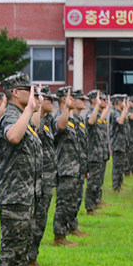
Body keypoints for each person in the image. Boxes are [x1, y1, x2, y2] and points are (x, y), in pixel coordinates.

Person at [0, 73, 42, 266]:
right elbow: (13, 136)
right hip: (13, 194)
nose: (31, 93)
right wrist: (29, 112)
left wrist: (33, 111)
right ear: (15, 92)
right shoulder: (9, 117)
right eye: (27, 89)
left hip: (25, 192)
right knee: (12, 245)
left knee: (21, 242)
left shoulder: (22, 116)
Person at [28, 85, 57, 266]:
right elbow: (34, 129)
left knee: (41, 220)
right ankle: (28, 261)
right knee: (34, 221)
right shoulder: (33, 118)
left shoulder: (48, 120)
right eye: (48, 98)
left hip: (47, 176)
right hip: (37, 178)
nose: (51, 102)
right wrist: (37, 105)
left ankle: (32, 259)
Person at [52, 87, 84, 246]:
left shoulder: (72, 120)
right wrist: (66, 109)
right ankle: (59, 236)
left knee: (71, 202)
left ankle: (66, 231)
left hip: (74, 168)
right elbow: (60, 126)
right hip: (65, 168)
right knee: (63, 204)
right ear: (64, 99)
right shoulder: (59, 116)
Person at [83, 90, 109, 215]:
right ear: (94, 100)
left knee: (98, 180)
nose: (104, 101)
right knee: (93, 182)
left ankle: (96, 201)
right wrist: (99, 106)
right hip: (93, 154)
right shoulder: (90, 114)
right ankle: (90, 207)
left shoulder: (98, 115)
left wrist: (105, 108)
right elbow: (91, 122)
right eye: (101, 99)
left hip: (100, 154)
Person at [109, 94, 131, 192]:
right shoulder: (115, 113)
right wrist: (125, 111)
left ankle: (119, 184)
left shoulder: (120, 112)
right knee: (117, 166)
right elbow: (120, 121)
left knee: (121, 166)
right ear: (117, 102)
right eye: (123, 101)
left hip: (122, 144)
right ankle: (116, 187)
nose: (125, 103)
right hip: (117, 144)